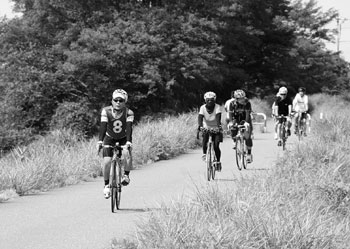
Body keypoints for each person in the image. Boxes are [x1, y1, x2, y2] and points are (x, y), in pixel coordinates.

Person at [97, 89, 134, 199]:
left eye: (121, 100)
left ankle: (126, 176)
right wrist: (100, 141)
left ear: (125, 102)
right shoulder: (106, 111)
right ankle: (106, 185)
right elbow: (103, 126)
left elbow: (129, 128)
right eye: (116, 100)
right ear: (112, 101)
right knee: (107, 161)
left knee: (127, 153)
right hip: (109, 137)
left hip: (123, 137)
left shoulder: (129, 112)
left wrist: (128, 142)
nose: (118, 102)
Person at [198, 91, 223, 171]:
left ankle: (218, 162)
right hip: (206, 126)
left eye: (211, 100)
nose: (210, 101)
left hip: (216, 127)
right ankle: (205, 154)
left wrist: (219, 127)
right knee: (205, 141)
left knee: (216, 146)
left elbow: (218, 117)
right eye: (208, 100)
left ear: (214, 100)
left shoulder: (217, 107)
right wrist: (201, 126)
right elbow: (200, 118)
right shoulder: (202, 108)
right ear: (205, 100)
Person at [228, 89, 253, 163]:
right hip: (236, 119)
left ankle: (249, 153)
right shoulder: (232, 103)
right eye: (240, 99)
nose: (242, 100)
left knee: (247, 136)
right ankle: (234, 141)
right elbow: (230, 114)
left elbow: (248, 114)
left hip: (245, 119)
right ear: (236, 99)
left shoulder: (247, 103)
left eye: (243, 98)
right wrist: (231, 122)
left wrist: (246, 122)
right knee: (232, 130)